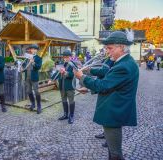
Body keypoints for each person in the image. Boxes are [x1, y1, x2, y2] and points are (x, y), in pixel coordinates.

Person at [74, 31, 139, 160]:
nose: (107, 52)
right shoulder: (123, 62)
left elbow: (103, 85)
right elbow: (111, 85)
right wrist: (88, 89)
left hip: (114, 112)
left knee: (115, 154)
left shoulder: (124, 66)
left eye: (109, 48)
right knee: (112, 150)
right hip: (114, 111)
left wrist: (82, 78)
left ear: (121, 47)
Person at [48, 50, 76, 124]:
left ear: (70, 57)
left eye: (67, 57)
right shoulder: (61, 64)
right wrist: (52, 79)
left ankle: (71, 116)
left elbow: (73, 75)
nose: (66, 58)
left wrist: (65, 72)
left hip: (70, 86)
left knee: (71, 101)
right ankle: (65, 114)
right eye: (64, 57)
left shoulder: (73, 64)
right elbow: (57, 72)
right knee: (63, 100)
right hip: (62, 85)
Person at [21, 44, 42, 114]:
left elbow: (38, 67)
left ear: (36, 50)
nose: (33, 50)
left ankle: (39, 106)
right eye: (32, 49)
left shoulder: (38, 58)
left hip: (34, 77)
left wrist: (33, 62)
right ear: (31, 50)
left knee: (36, 92)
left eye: (34, 49)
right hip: (27, 77)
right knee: (29, 91)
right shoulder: (27, 58)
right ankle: (33, 104)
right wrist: (21, 68)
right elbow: (24, 66)